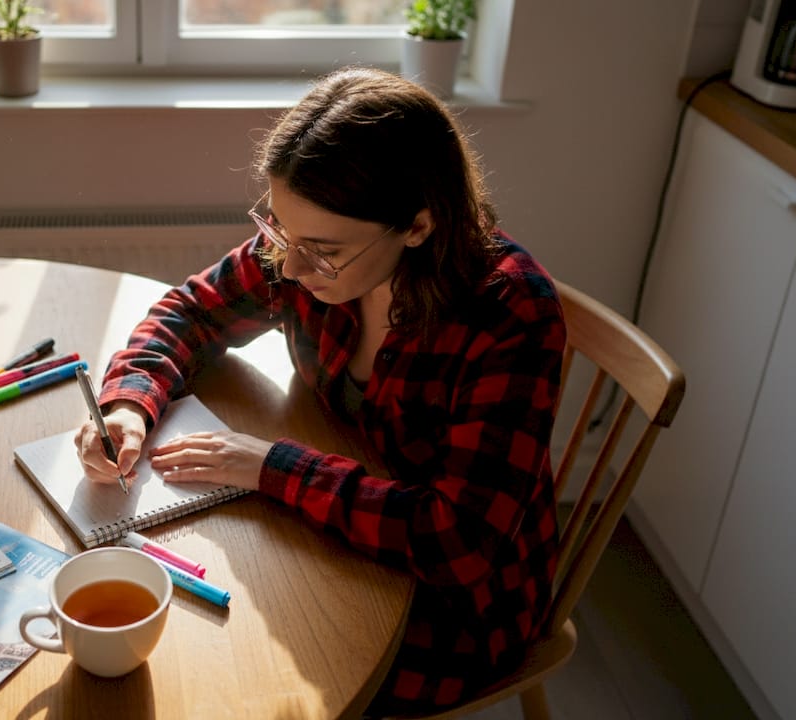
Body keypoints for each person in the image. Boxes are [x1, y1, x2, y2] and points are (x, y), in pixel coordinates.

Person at [74, 66, 565, 716]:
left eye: (322, 250)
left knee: (248, 681)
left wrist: (272, 467)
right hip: (342, 521)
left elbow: (458, 541)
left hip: (457, 605)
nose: (291, 267)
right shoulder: (302, 249)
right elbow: (192, 311)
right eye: (277, 228)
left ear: (417, 226)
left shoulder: (510, 314)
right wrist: (128, 404)